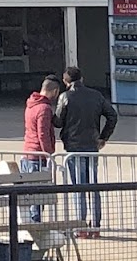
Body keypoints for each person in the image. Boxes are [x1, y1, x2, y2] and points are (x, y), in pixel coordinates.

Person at [54, 65, 118, 236]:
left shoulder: (65, 97)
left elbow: (58, 122)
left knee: (78, 187)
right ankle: (95, 226)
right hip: (92, 145)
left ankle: (81, 226)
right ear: (81, 79)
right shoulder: (96, 95)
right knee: (93, 185)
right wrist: (103, 137)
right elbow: (112, 115)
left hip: (73, 147)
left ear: (66, 81)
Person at [21, 75, 60, 222]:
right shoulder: (44, 108)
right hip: (38, 156)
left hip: (28, 152)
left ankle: (31, 222)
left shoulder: (31, 104)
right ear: (54, 91)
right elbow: (42, 134)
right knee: (38, 196)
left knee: (30, 195)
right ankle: (35, 225)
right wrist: (49, 155)